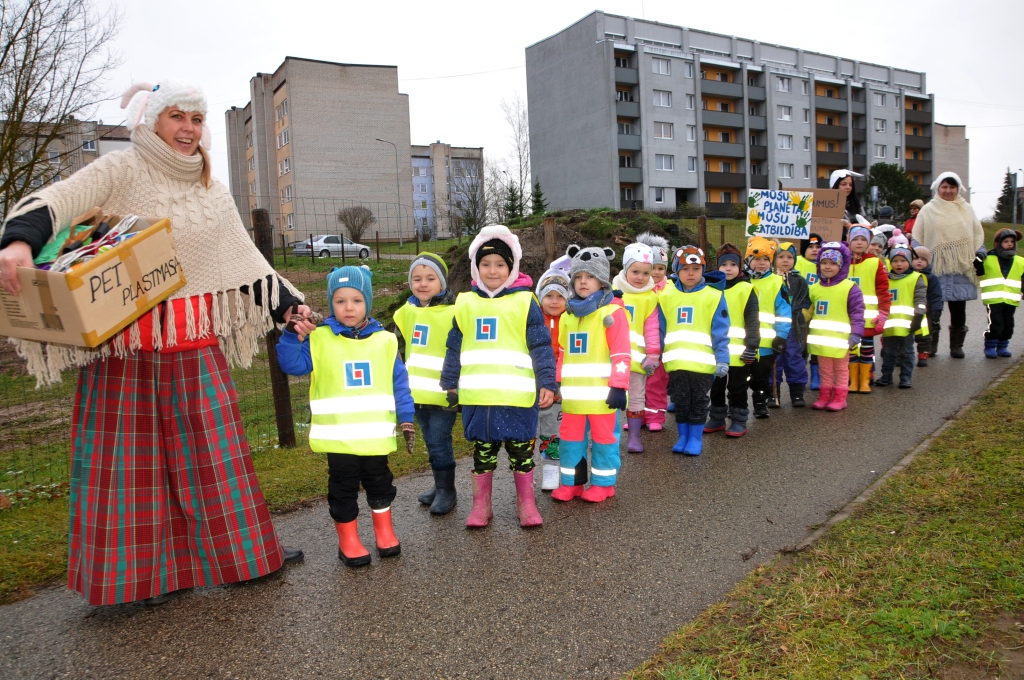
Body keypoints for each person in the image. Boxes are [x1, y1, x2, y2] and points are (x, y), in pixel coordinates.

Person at [0, 80, 306, 606]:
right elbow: (60, 199)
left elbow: (239, 260)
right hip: (126, 343)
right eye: (175, 117)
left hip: (192, 338)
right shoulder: (121, 169)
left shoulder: (212, 186)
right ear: (153, 121)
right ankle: (142, 579)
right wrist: (18, 241)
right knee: (130, 465)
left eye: (194, 119)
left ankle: (245, 560)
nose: (187, 129)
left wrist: (287, 306)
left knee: (216, 457)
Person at [279, 266, 414, 567]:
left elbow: (400, 385)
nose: (348, 307)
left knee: (381, 484)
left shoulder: (385, 341)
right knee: (343, 488)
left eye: (356, 300)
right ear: (331, 303)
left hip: (376, 438)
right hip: (339, 438)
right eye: (340, 301)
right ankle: (348, 540)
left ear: (367, 301)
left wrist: (406, 418)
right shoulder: (320, 338)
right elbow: (292, 365)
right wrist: (290, 335)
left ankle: (384, 531)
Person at [440, 225, 557, 529]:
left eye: (500, 264)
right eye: (485, 264)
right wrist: (449, 381)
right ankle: (482, 505)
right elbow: (455, 344)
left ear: (512, 267)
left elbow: (541, 344)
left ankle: (526, 503)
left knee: (521, 454)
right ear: (476, 268)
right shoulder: (465, 302)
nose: (492, 271)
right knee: (483, 454)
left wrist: (547, 382)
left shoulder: (525, 302)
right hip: (479, 400)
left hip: (517, 399)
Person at [551, 246, 630, 502]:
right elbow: (562, 352)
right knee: (570, 440)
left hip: (603, 396)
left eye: (590, 276)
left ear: (603, 280)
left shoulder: (613, 313)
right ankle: (572, 482)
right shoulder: (568, 316)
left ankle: (604, 483)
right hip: (573, 397)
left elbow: (621, 354)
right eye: (578, 276)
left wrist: (619, 386)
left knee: (604, 440)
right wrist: (558, 382)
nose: (583, 281)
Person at [393, 253, 458, 515]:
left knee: (440, 441)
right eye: (416, 278)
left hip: (443, 395)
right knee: (431, 443)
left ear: (441, 283)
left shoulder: (455, 313)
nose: (423, 284)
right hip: (415, 393)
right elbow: (397, 349)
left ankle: (447, 491)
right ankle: (439, 485)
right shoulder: (404, 313)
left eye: (430, 278)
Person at [660, 246, 730, 455]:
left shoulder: (714, 296)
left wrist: (722, 359)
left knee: (699, 401)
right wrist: (656, 355)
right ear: (676, 271)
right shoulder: (666, 295)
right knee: (681, 401)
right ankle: (682, 436)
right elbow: (660, 329)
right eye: (685, 269)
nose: (691, 273)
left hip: (703, 364)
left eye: (696, 268)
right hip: (676, 363)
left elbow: (721, 331)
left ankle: (695, 439)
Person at [909, 172, 986, 358]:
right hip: (935, 267)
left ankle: (956, 346)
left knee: (959, 309)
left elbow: (977, 235)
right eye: (944, 187)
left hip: (961, 267)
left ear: (958, 188)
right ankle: (930, 345)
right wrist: (920, 257)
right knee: (932, 308)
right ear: (938, 188)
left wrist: (980, 255)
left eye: (952, 187)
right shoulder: (928, 210)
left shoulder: (967, 209)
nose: (948, 191)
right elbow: (918, 237)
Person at [703, 243, 759, 437]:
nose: (728, 268)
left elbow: (753, 320)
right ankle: (717, 417)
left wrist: (752, 346)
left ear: (740, 267)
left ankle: (738, 419)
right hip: (716, 350)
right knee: (716, 386)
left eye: (733, 265)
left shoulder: (746, 289)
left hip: (739, 352)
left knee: (737, 387)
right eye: (724, 264)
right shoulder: (710, 289)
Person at [613, 242, 661, 453]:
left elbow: (652, 328)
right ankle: (611, 436)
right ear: (625, 269)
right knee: (611, 397)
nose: (640, 277)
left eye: (645, 273)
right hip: (612, 358)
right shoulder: (612, 292)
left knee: (636, 396)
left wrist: (653, 355)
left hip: (637, 359)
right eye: (635, 272)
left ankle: (634, 437)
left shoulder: (650, 297)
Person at [808, 242, 866, 411]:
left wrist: (856, 334)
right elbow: (808, 311)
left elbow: (857, 313)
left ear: (842, 266)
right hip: (820, 340)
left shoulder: (850, 288)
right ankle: (825, 395)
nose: (828, 267)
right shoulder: (814, 288)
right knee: (824, 370)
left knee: (840, 370)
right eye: (824, 263)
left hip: (841, 340)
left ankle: (840, 397)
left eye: (833, 263)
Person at [745, 237, 791, 418]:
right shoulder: (741, 281)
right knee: (739, 378)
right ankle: (738, 405)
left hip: (766, 342)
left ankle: (760, 403)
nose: (761, 263)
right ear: (749, 260)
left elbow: (784, 312)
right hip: (743, 341)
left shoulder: (777, 282)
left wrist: (781, 336)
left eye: (766, 260)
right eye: (757, 259)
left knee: (761, 376)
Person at [534, 263, 570, 491]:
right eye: (549, 296)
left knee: (551, 434)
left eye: (560, 296)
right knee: (527, 435)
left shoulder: (572, 319)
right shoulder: (533, 321)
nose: (554, 301)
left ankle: (550, 471)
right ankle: (525, 473)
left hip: (559, 386)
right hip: (533, 384)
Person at [874, 246, 927, 389]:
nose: (899, 264)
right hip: (889, 324)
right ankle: (886, 376)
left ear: (909, 262)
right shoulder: (885, 279)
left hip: (908, 325)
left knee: (907, 352)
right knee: (888, 352)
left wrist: (919, 316)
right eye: (895, 261)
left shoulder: (916, 278)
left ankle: (906, 378)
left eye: (903, 261)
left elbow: (921, 299)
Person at [847, 224, 891, 394]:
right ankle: (853, 380)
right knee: (851, 349)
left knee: (866, 349)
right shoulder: (842, 261)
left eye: (863, 240)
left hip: (867, 318)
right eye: (855, 239)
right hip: (847, 316)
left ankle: (865, 380)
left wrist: (883, 312)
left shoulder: (875, 263)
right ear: (849, 241)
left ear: (869, 242)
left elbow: (882, 289)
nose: (859, 243)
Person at [637, 232, 671, 431]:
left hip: (660, 343)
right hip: (638, 344)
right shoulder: (637, 289)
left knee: (657, 382)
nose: (656, 273)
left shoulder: (670, 289)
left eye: (661, 268)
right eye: (652, 268)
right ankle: (637, 414)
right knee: (637, 382)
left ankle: (655, 417)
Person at [772, 242, 811, 407]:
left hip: (794, 328)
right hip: (774, 328)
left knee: (794, 358)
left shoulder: (799, 280)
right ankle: (773, 394)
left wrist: (800, 316)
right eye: (781, 257)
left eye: (789, 257)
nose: (785, 260)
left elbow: (805, 301)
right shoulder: (771, 279)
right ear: (774, 259)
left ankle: (796, 393)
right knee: (775, 360)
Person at [976, 228, 1024, 358]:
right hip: (993, 299)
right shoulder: (987, 259)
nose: (1009, 244)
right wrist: (978, 260)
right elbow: (977, 271)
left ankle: (1003, 346)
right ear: (998, 244)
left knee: (1008, 324)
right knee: (996, 323)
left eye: (1012, 241)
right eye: (1006, 241)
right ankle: (990, 345)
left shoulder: (1020, 261)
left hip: (1011, 300)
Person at [797, 233, 823, 390]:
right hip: (802, 312)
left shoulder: (826, 264)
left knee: (817, 345)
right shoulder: (797, 263)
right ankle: (800, 377)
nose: (814, 250)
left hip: (821, 312)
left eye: (818, 247)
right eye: (810, 247)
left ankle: (816, 377)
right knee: (802, 346)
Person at [911, 246, 944, 366]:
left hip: (925, 312)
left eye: (923, 259)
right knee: (905, 334)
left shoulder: (932, 278)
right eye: (916, 258)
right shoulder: (906, 276)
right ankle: (901, 355)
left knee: (924, 334)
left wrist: (937, 309)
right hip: (908, 312)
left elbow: (936, 295)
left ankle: (923, 352)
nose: (919, 261)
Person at [831, 169, 866, 238]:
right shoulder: (827, 205)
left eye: (850, 185)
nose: (848, 187)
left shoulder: (857, 204)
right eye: (844, 184)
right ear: (835, 185)